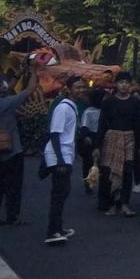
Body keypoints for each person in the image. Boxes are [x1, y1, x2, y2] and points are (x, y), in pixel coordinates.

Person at [43, 75, 87, 244]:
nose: (81, 90)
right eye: (77, 87)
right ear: (69, 89)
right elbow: (54, 134)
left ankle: (58, 227)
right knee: (59, 194)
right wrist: (60, 160)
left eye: (83, 87)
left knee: (63, 193)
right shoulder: (63, 108)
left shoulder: (72, 106)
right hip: (59, 155)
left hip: (65, 153)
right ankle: (52, 231)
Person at [0, 66, 37, 226]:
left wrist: (17, 75)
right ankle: (13, 216)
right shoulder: (8, 103)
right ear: (1, 88)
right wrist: (34, 71)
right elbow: (31, 89)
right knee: (13, 186)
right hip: (13, 151)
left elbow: (7, 89)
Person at [96, 71, 140, 217]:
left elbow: (137, 124)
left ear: (130, 85)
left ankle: (124, 203)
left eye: (126, 82)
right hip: (112, 138)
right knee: (109, 171)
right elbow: (102, 123)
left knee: (128, 171)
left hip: (129, 138)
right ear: (116, 84)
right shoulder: (108, 101)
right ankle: (110, 204)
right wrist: (98, 145)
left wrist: (139, 145)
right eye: (121, 82)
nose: (123, 85)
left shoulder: (135, 102)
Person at [77, 88, 102, 194]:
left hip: (100, 136)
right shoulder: (89, 111)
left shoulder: (104, 110)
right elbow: (84, 126)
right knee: (88, 163)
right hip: (91, 137)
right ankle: (89, 184)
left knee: (99, 163)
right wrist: (85, 137)